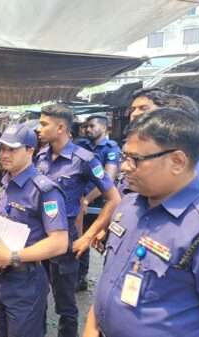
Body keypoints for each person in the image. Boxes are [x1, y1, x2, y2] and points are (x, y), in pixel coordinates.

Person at [83, 108, 199, 337]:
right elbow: (111, 278)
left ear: (177, 161)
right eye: (124, 157)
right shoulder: (129, 204)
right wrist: (91, 326)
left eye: (135, 160)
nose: (125, 167)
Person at [35, 104, 120, 337]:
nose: (38, 128)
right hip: (38, 237)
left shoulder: (84, 159)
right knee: (37, 296)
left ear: (61, 127)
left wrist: (88, 236)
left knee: (64, 305)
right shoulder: (41, 156)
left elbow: (114, 199)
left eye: (44, 124)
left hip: (65, 240)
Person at [0, 123, 69, 337]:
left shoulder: (44, 190)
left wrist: (13, 256)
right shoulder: (6, 184)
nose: (5, 155)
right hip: (1, 279)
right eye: (2, 149)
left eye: (12, 149)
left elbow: (59, 242)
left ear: (30, 151)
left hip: (25, 283)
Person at [118, 89, 199, 195]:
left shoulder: (190, 171)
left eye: (143, 108)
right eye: (133, 109)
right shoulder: (134, 143)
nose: (134, 114)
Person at [75, 114, 120, 291]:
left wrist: (87, 199)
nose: (88, 129)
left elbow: (108, 179)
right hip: (80, 201)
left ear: (104, 128)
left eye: (92, 126)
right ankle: (79, 277)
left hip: (100, 202)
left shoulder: (111, 149)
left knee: (100, 241)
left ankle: (106, 282)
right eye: (86, 126)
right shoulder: (81, 144)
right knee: (80, 238)